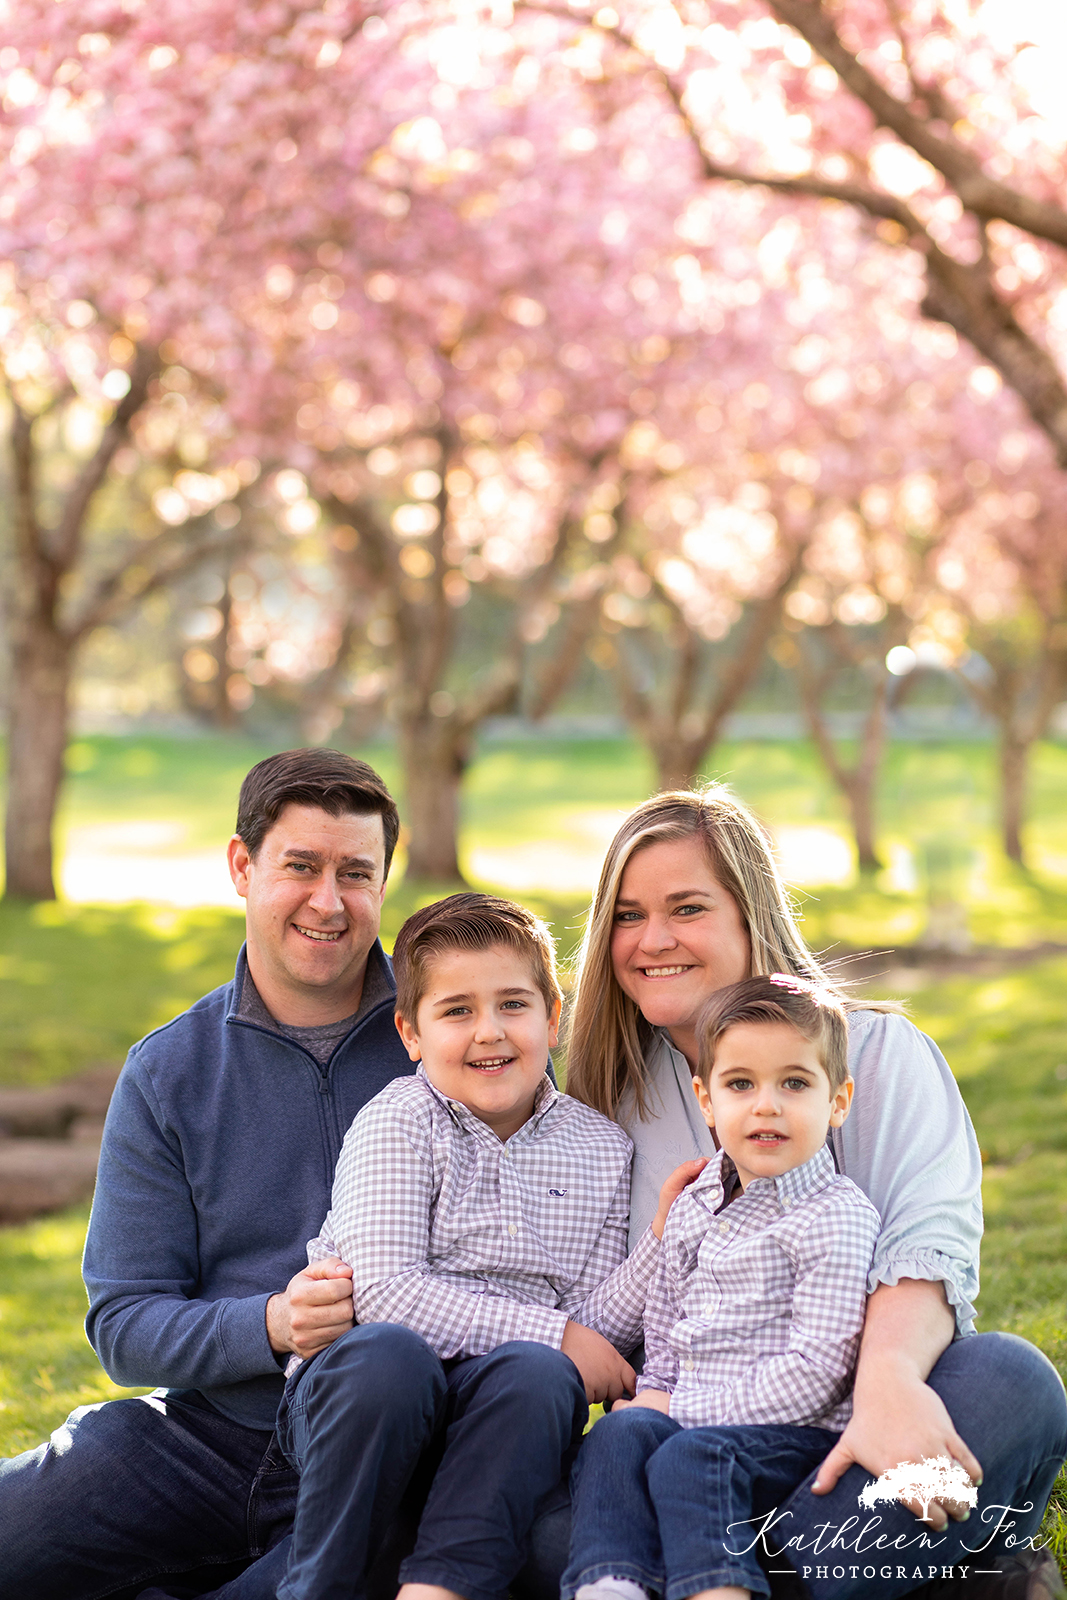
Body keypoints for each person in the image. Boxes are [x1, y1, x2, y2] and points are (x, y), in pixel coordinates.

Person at [563, 785, 1067, 1600]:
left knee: (1006, 1385)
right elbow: (621, 1323)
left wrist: (887, 1383)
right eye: (625, 915)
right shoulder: (613, 1100)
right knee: (574, 1508)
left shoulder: (878, 1053)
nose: (651, 940)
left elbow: (925, 1244)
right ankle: (923, 1580)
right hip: (689, 1452)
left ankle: (764, 1577)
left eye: (686, 908)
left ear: (747, 914)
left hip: (844, 1435)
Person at [0, 750, 415, 1599]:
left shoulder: (456, 1037)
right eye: (300, 866)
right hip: (201, 1439)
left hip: (385, 1444)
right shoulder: (169, 1070)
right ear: (242, 866)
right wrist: (270, 1323)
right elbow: (124, 1320)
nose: (328, 901)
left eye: (355, 873)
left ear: (384, 880)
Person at [273, 893, 699, 1600]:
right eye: (457, 1011)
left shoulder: (599, 1148)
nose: (489, 1033)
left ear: (551, 1017)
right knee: (393, 1355)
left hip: (509, 1412)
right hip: (367, 1399)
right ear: (411, 1032)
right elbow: (385, 1296)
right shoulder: (399, 1121)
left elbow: (589, 1329)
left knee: (538, 1374)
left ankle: (443, 1589)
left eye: (512, 1005)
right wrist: (554, 1333)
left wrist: (661, 1240)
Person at [563, 974, 880, 1600]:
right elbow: (665, 1343)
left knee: (690, 1456)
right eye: (741, 1085)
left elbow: (817, 1374)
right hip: (691, 1422)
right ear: (707, 1101)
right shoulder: (693, 1204)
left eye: (794, 1083)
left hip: (796, 1437)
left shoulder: (835, 1215)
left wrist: (680, 1412)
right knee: (619, 1435)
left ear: (837, 1100)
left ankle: (718, 1589)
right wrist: (656, 1399)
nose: (766, 1105)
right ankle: (611, 1582)